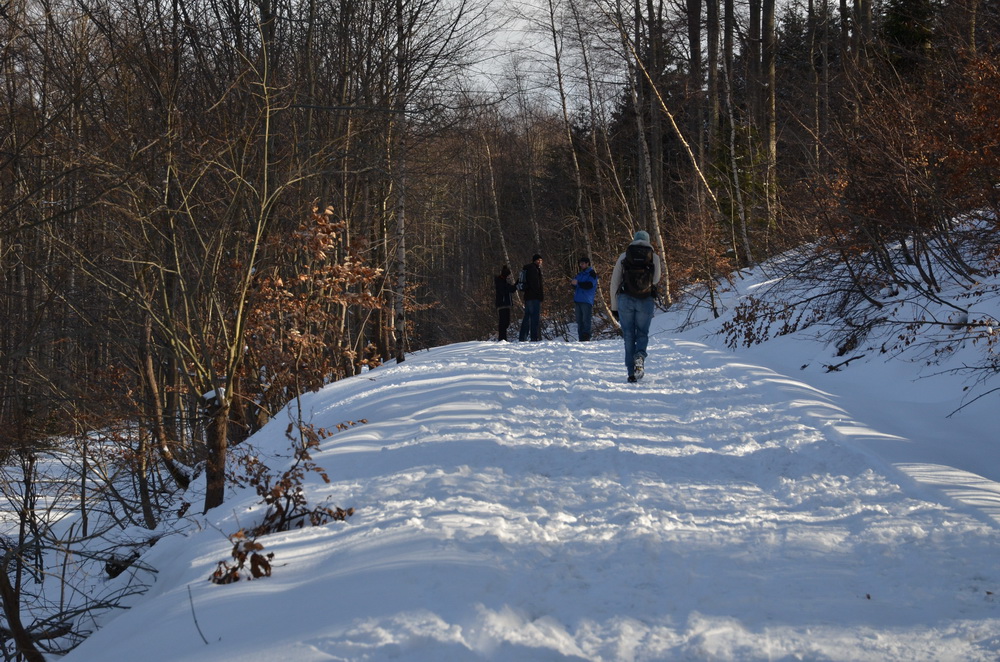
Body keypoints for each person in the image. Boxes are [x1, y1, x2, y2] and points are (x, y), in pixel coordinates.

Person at [609, 231, 662, 382]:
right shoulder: (654, 256)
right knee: (642, 333)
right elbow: (656, 279)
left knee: (629, 335)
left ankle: (631, 372)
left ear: (634, 240)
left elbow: (614, 282)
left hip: (625, 299)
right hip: (645, 300)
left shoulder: (624, 256)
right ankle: (640, 355)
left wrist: (614, 307)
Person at [518, 254, 544, 342]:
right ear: (534, 261)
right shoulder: (534, 269)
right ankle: (534, 337)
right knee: (534, 318)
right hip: (534, 297)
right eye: (538, 260)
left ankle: (523, 337)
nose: (540, 262)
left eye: (541, 260)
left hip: (528, 296)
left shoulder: (527, 269)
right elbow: (536, 284)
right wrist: (539, 295)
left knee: (527, 316)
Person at [571, 256, 598, 341]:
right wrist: (573, 284)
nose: (581, 265)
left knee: (586, 320)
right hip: (578, 299)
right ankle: (580, 338)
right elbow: (574, 284)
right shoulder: (580, 274)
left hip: (586, 300)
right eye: (580, 263)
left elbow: (589, 285)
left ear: (587, 264)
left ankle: (586, 338)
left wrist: (577, 283)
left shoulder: (592, 274)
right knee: (579, 321)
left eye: (583, 263)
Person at [494, 265, 517, 341]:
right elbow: (504, 291)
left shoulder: (505, 282)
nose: (509, 277)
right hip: (502, 304)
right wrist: (511, 287)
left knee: (506, 322)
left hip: (506, 304)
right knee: (503, 323)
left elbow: (511, 289)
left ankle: (503, 338)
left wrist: (516, 285)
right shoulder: (500, 281)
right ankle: (502, 339)